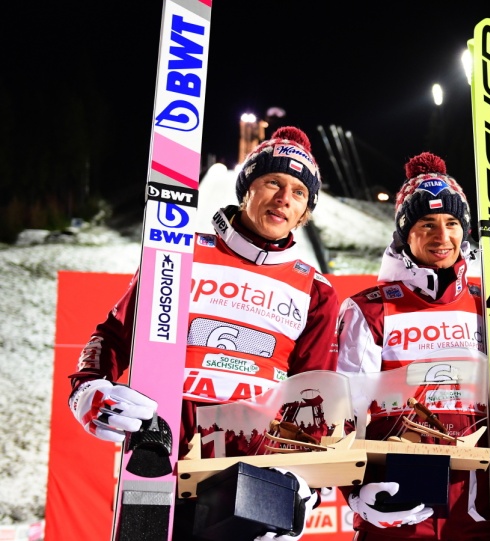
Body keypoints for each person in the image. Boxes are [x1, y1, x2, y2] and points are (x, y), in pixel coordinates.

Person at [67, 126, 339, 540]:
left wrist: (306, 484)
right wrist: (87, 388)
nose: (284, 197)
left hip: (249, 483)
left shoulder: (317, 291)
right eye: (273, 182)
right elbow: (115, 333)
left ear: (305, 214)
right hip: (159, 463)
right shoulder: (181, 254)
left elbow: (314, 397)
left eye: (299, 192)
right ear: (246, 188)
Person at [336, 151, 489, 540]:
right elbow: (343, 414)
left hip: (477, 511)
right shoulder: (370, 308)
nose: (443, 236)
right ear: (405, 233)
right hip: (394, 508)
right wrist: (356, 491)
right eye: (427, 224)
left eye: (453, 223)